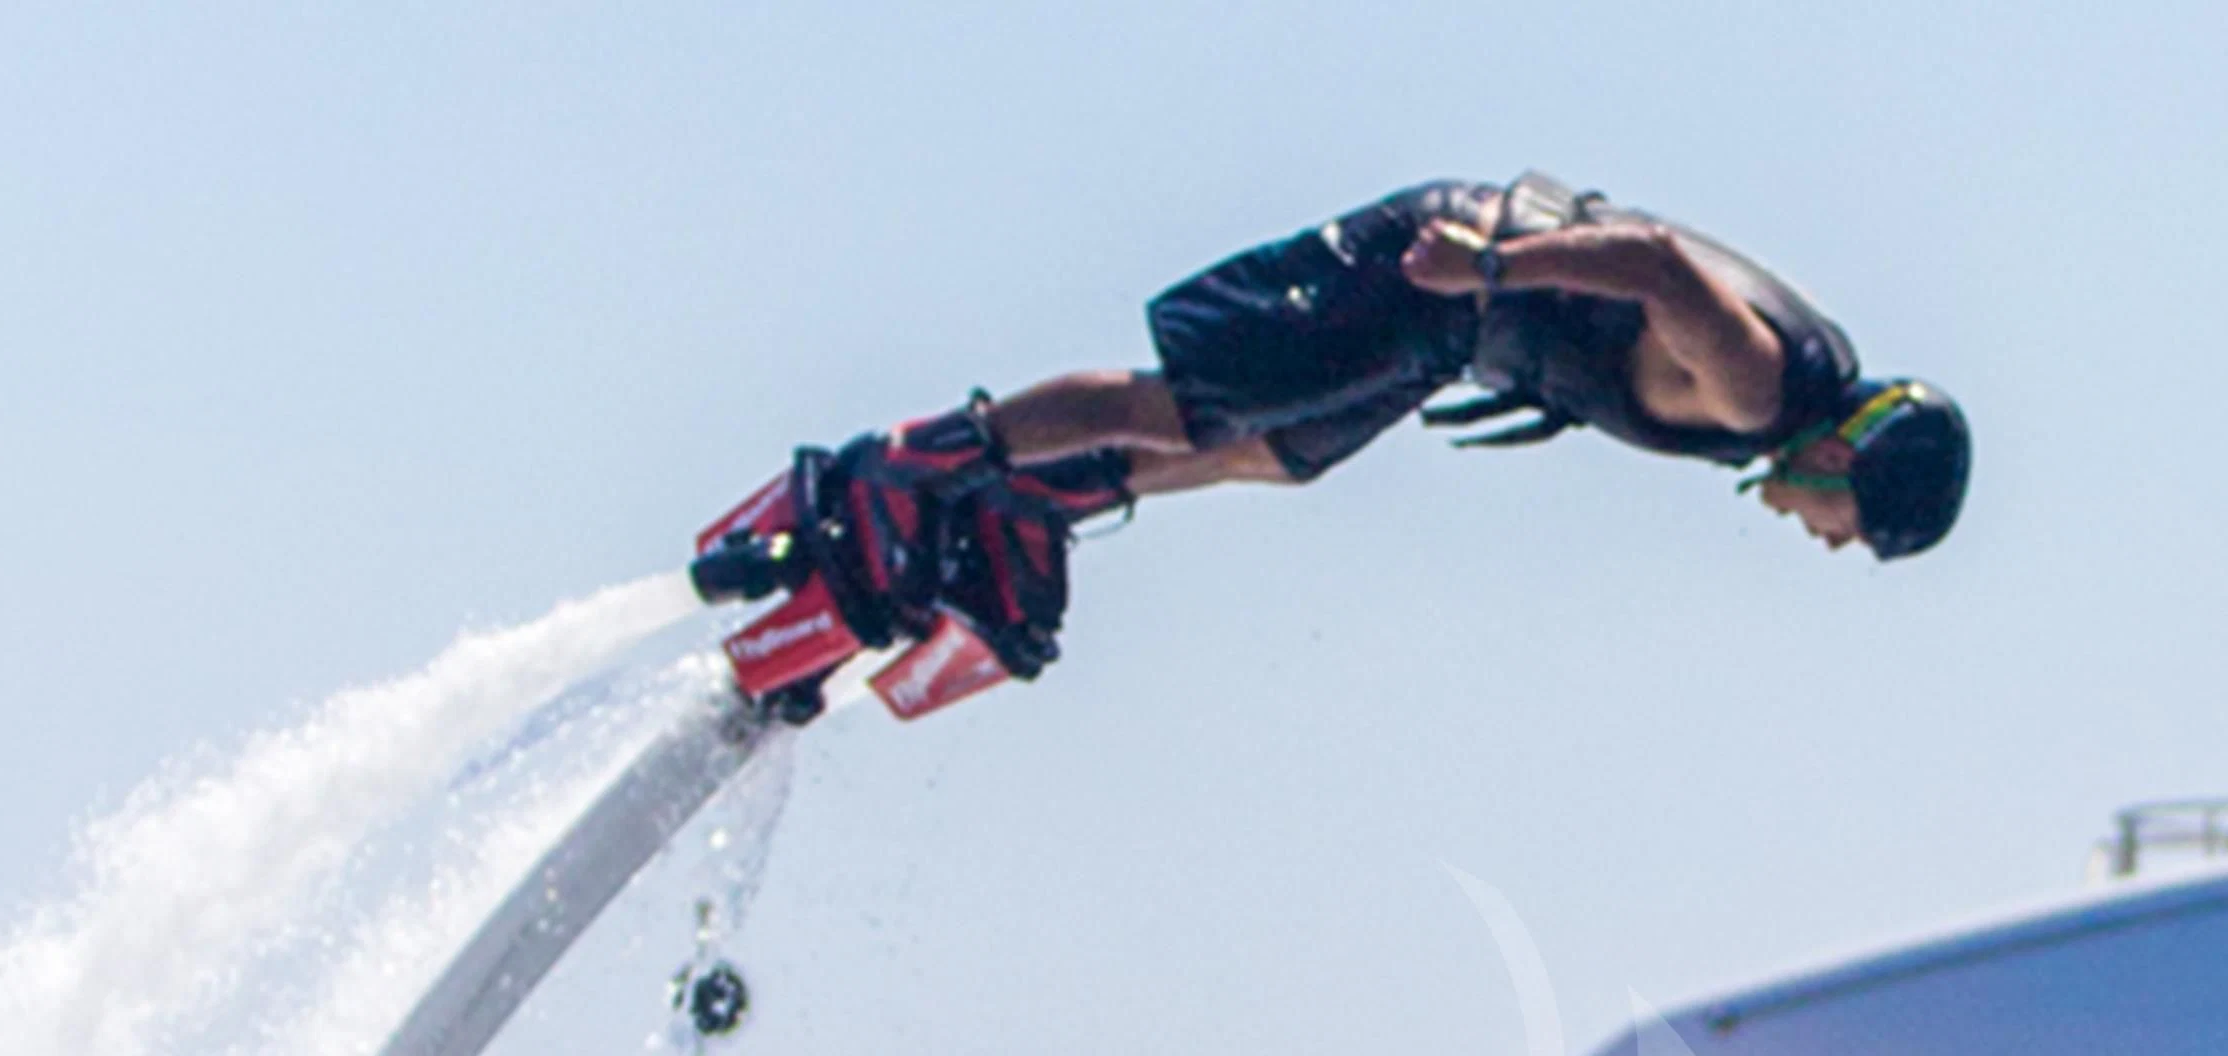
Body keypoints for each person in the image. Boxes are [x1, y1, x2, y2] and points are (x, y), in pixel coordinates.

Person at [770, 175, 1970, 681]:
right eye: (1849, 526)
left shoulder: (1776, 413)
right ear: (1843, 459)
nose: (1827, 541)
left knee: (1273, 455)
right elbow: (1654, 267)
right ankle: (908, 468)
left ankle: (1034, 502)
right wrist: (1495, 263)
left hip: (1450, 331)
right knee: (1184, 404)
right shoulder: (1765, 388)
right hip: (1440, 274)